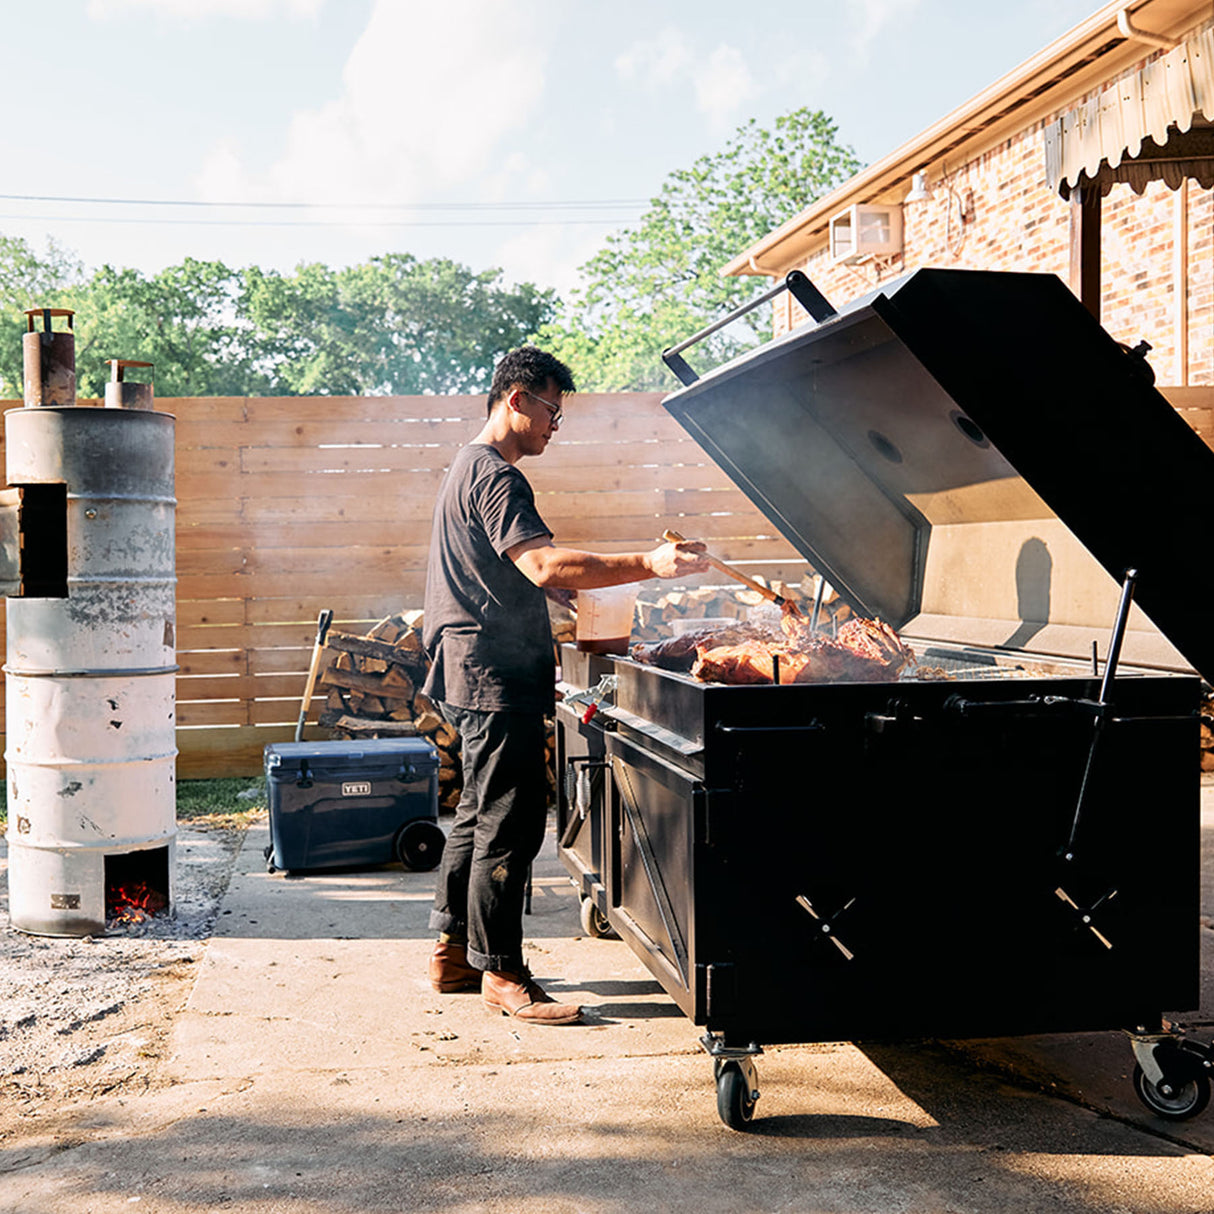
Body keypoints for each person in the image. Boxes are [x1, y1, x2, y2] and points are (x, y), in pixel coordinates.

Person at [421, 345, 709, 1025]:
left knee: (476, 813)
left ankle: (453, 953)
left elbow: (502, 573)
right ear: (517, 399)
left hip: (469, 666)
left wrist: (563, 601)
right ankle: (502, 973)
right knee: (510, 821)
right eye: (552, 410)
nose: (557, 425)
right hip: (493, 673)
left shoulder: (467, 466)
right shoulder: (497, 476)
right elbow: (544, 565)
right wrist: (649, 563)